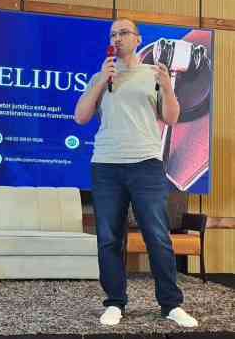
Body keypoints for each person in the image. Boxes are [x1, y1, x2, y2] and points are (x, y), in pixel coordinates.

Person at [74, 18, 198, 328]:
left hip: (146, 164)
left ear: (138, 39)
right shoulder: (101, 75)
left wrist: (167, 87)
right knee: (109, 238)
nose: (117, 38)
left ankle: (171, 304)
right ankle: (115, 302)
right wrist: (102, 81)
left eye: (123, 33)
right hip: (107, 165)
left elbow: (171, 117)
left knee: (157, 235)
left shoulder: (153, 74)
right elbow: (80, 117)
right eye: (113, 34)